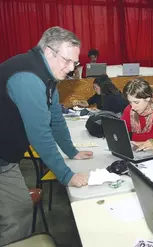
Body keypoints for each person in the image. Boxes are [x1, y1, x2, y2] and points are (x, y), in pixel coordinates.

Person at [0, 26, 93, 245]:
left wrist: (72, 151)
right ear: (49, 52)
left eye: (75, 63)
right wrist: (66, 175)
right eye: (67, 61)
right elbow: (40, 133)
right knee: (16, 213)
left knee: (18, 208)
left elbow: (56, 119)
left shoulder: (47, 76)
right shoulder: (28, 78)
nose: (71, 69)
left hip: (6, 155)